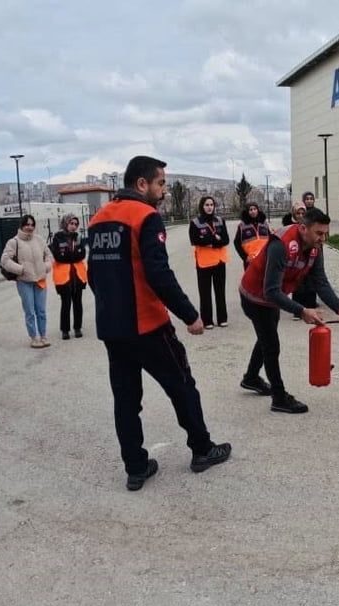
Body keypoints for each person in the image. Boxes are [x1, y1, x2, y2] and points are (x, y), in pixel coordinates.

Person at [88, 155, 231, 490]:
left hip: (113, 328)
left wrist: (111, 308)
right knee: (181, 385)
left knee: (125, 400)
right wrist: (190, 315)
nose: (164, 190)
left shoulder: (97, 220)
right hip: (148, 325)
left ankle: (136, 468)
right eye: (161, 183)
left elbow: (93, 275)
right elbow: (159, 274)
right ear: (142, 184)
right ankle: (202, 449)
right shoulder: (146, 216)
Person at [238, 207, 339, 414]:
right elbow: (271, 291)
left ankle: (250, 378)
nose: (323, 238)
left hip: (272, 298)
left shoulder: (315, 247)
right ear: (303, 228)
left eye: (326, 233)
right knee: (271, 345)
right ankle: (279, 397)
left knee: (266, 337)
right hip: (255, 297)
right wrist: (302, 310)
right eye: (319, 233)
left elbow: (320, 281)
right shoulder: (281, 245)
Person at [1, 215, 52, 348]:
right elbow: (5, 260)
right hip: (24, 282)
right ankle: (34, 337)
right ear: (22, 225)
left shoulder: (40, 240)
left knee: (41, 310)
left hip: (40, 280)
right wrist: (20, 269)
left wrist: (46, 266)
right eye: (27, 224)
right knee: (29, 311)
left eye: (32, 225)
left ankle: (43, 335)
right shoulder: (14, 242)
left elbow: (48, 255)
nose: (29, 227)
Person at [189, 196, 231, 329]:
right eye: (207, 205)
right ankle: (207, 320)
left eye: (211, 204)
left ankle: (222, 318)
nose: (209, 207)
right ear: (202, 206)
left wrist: (209, 241)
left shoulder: (220, 220)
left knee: (220, 291)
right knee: (205, 293)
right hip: (204, 262)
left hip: (219, 261)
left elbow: (226, 240)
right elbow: (195, 240)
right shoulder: (195, 222)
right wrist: (214, 241)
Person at [49, 213, 88, 340]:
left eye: (76, 224)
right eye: (71, 223)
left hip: (77, 276)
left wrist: (70, 256)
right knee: (65, 304)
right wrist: (72, 256)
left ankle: (77, 328)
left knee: (78, 303)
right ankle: (65, 330)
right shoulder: (57, 237)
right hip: (64, 277)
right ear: (66, 223)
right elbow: (58, 256)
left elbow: (82, 254)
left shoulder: (78, 237)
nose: (74, 226)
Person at [233, 202, 272, 270]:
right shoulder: (242, 226)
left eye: (255, 209)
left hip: (264, 259)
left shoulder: (264, 224)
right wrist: (245, 257)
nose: (253, 211)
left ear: (258, 210)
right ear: (247, 212)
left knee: (265, 280)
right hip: (250, 261)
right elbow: (236, 243)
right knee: (251, 280)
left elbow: (270, 239)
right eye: (250, 210)